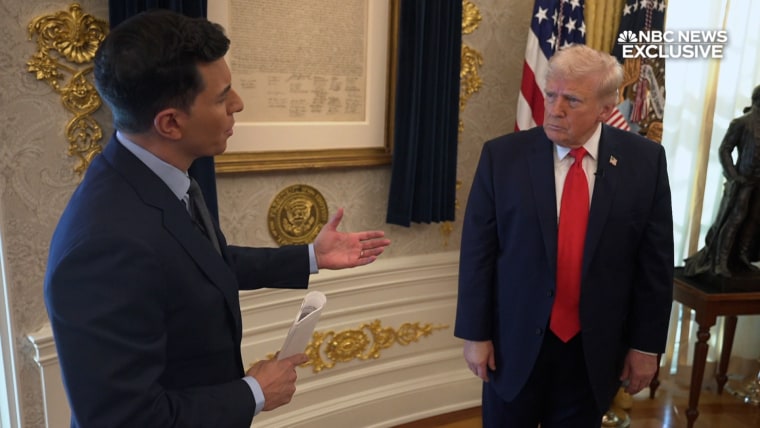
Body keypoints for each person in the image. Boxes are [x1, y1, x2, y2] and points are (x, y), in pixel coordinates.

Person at [43, 9, 390, 428]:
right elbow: (123, 420)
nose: (238, 104)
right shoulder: (103, 247)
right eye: (223, 97)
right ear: (171, 123)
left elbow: (197, 262)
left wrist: (311, 256)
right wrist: (254, 392)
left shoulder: (156, 176)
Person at [455, 44, 674, 427]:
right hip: (513, 345)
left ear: (606, 108)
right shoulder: (502, 158)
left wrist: (645, 346)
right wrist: (475, 334)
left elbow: (654, 265)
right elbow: (478, 253)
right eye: (551, 95)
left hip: (594, 350)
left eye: (572, 100)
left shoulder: (645, 162)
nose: (555, 109)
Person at [684, 85, 760, 277]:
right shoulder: (742, 122)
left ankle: (741, 256)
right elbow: (724, 149)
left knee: (754, 218)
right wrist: (734, 176)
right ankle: (720, 262)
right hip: (743, 181)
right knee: (734, 219)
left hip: (758, 182)